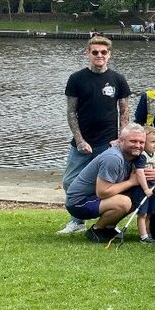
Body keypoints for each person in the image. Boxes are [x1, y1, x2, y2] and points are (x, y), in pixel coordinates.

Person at [58, 34, 131, 235]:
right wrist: (80, 140)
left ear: (109, 55)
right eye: (95, 52)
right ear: (87, 54)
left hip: (108, 144)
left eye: (103, 52)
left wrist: (120, 138)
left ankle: (107, 221)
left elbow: (124, 110)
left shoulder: (118, 79)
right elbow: (71, 111)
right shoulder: (76, 79)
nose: (99, 55)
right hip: (82, 143)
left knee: (109, 185)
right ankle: (77, 221)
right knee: (70, 182)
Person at [64, 123, 145, 243]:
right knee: (124, 202)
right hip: (78, 203)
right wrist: (131, 182)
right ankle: (97, 230)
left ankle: (109, 228)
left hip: (94, 198)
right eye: (133, 141)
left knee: (137, 196)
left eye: (141, 142)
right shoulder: (113, 158)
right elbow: (102, 192)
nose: (138, 146)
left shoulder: (134, 157)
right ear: (121, 141)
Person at [134, 126, 155, 244]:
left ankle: (148, 233)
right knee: (142, 213)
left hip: (152, 186)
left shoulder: (154, 154)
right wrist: (145, 189)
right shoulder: (142, 156)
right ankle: (143, 236)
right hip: (142, 188)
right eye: (153, 142)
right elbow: (139, 172)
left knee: (150, 212)